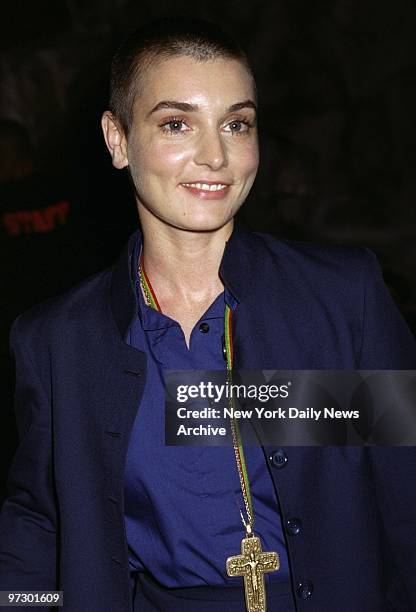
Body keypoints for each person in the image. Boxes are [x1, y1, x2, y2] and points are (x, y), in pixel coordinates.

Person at [0, 17, 415, 612]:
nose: (216, 155)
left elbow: (406, 494)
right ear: (117, 140)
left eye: (236, 124)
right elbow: (40, 523)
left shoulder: (342, 299)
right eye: (176, 123)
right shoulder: (59, 340)